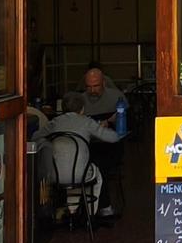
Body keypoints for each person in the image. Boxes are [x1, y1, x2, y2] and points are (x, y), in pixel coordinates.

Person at [32, 92, 120, 218]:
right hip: (80, 175)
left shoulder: (55, 122)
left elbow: (35, 137)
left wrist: (48, 144)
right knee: (98, 173)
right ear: (82, 109)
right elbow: (113, 138)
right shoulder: (86, 122)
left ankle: (70, 210)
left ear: (62, 108)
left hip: (54, 175)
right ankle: (98, 211)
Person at [79, 68, 127, 217]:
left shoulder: (117, 98)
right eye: (89, 87)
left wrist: (111, 123)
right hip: (86, 146)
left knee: (99, 163)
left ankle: (103, 205)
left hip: (110, 146)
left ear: (104, 83)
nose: (92, 90)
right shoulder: (81, 101)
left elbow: (126, 126)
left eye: (96, 86)